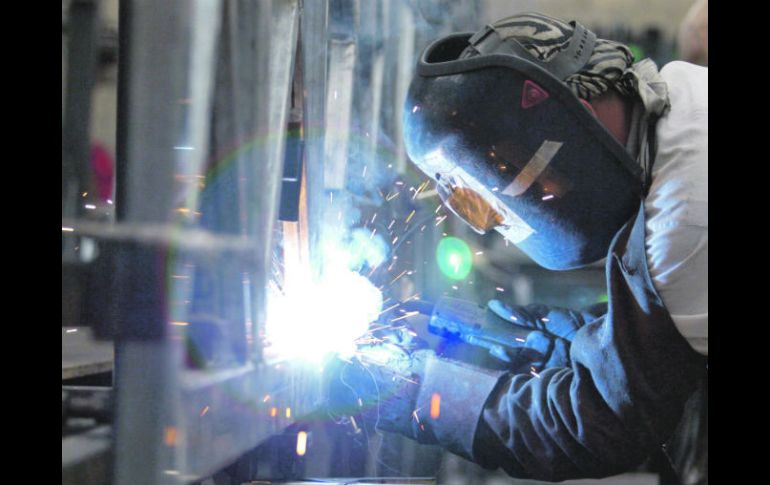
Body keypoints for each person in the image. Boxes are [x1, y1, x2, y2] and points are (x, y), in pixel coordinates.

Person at [327, 12, 707, 483]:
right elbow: (665, 341)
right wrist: (550, 342)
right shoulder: (682, 98)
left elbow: (598, 425)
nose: (504, 227)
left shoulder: (683, 213)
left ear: (570, 122)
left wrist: (415, 392)